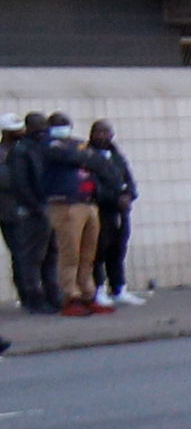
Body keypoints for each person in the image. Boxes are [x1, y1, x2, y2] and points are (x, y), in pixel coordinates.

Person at [37, 119, 102, 320]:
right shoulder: (48, 144)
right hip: (65, 204)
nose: (64, 127)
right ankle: (70, 295)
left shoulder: (76, 143)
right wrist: (83, 156)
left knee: (88, 253)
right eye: (59, 123)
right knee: (69, 252)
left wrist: (82, 155)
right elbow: (69, 156)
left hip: (87, 202)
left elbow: (96, 159)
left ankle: (87, 293)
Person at [2, 117, 57, 316]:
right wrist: (35, 205)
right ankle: (32, 298)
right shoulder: (15, 152)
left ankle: (51, 295)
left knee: (48, 255)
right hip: (19, 212)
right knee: (28, 258)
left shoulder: (32, 148)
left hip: (38, 210)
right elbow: (16, 183)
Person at [82, 122, 131, 304]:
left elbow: (128, 178)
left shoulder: (116, 156)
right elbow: (91, 185)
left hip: (121, 210)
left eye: (107, 132)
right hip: (101, 210)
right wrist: (113, 198)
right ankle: (98, 289)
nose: (103, 136)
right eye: (99, 132)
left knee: (118, 249)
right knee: (98, 251)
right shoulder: (87, 156)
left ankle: (119, 288)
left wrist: (129, 195)